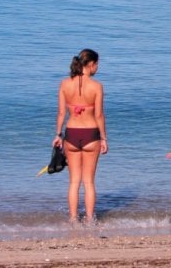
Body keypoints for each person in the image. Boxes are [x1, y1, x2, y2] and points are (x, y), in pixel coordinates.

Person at [52, 48, 108, 224]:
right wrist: (104, 138)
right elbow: (99, 115)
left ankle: (73, 219)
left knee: (74, 182)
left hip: (71, 134)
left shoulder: (64, 84)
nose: (97, 68)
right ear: (91, 65)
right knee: (89, 182)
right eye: (97, 64)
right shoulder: (97, 86)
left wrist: (58, 134)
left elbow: (61, 113)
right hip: (91, 134)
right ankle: (90, 219)